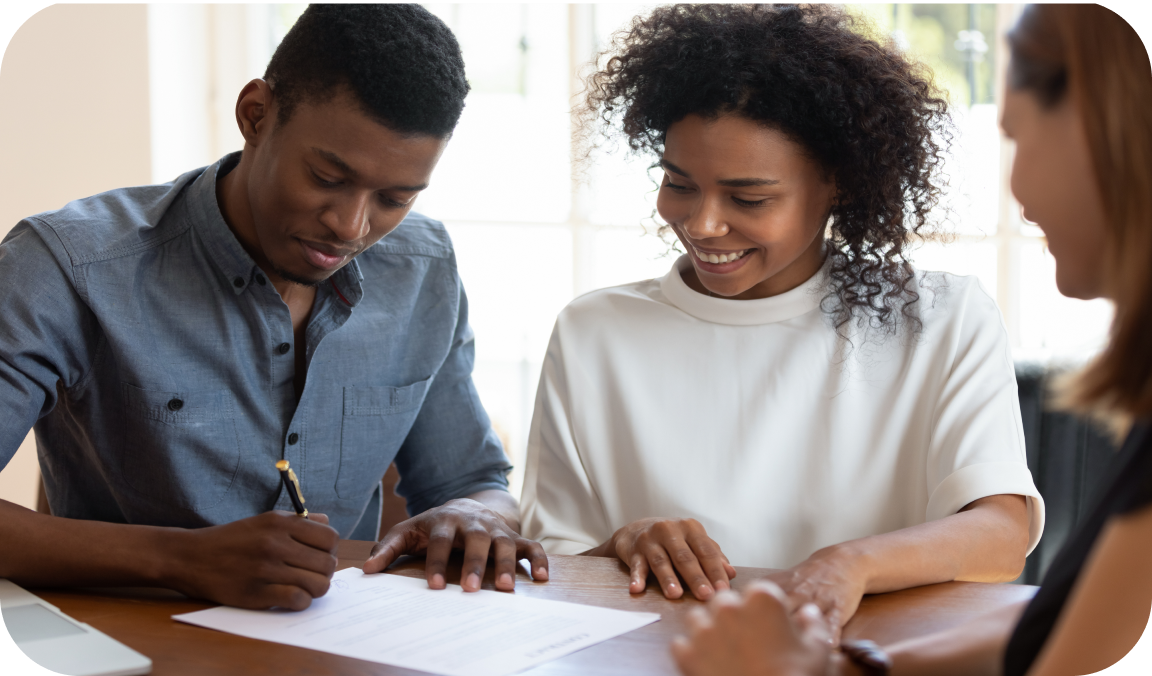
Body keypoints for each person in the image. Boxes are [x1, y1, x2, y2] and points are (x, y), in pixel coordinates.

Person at [0, 3, 547, 611]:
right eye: (327, 178)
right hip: (129, 637)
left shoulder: (422, 268)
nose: (351, 226)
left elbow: (472, 483)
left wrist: (475, 514)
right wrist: (180, 559)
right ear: (255, 115)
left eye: (394, 199)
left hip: (339, 641)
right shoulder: (68, 264)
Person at [520, 2, 1043, 634]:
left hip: (867, 656)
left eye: (749, 198)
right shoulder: (593, 332)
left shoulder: (939, 318)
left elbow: (1000, 534)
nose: (702, 223)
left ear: (839, 184)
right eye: (679, 184)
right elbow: (553, 564)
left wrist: (849, 564)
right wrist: (626, 542)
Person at [671, 4, 1151, 675]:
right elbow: (1061, 619)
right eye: (678, 183)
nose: (1018, 192)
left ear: (1112, 136)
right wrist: (852, 667)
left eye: (1020, 139)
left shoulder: (945, 316)